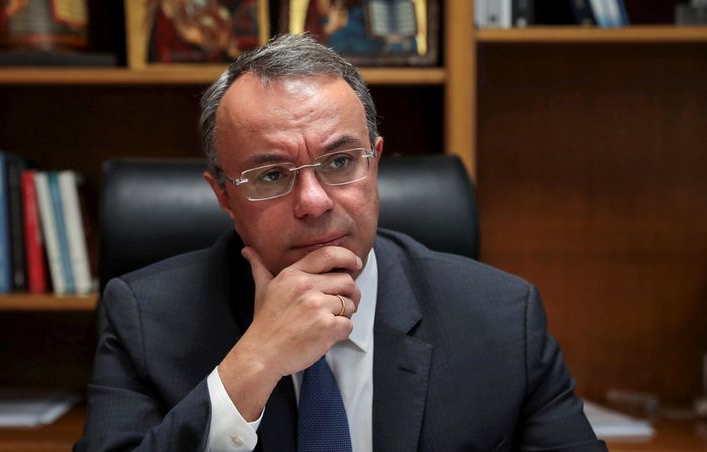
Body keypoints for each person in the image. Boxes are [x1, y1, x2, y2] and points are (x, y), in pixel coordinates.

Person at [77, 34, 605, 451]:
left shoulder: (501, 320)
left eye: (338, 163)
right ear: (223, 197)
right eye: (270, 175)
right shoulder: (145, 320)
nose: (313, 201)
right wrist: (252, 366)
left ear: (374, 161)